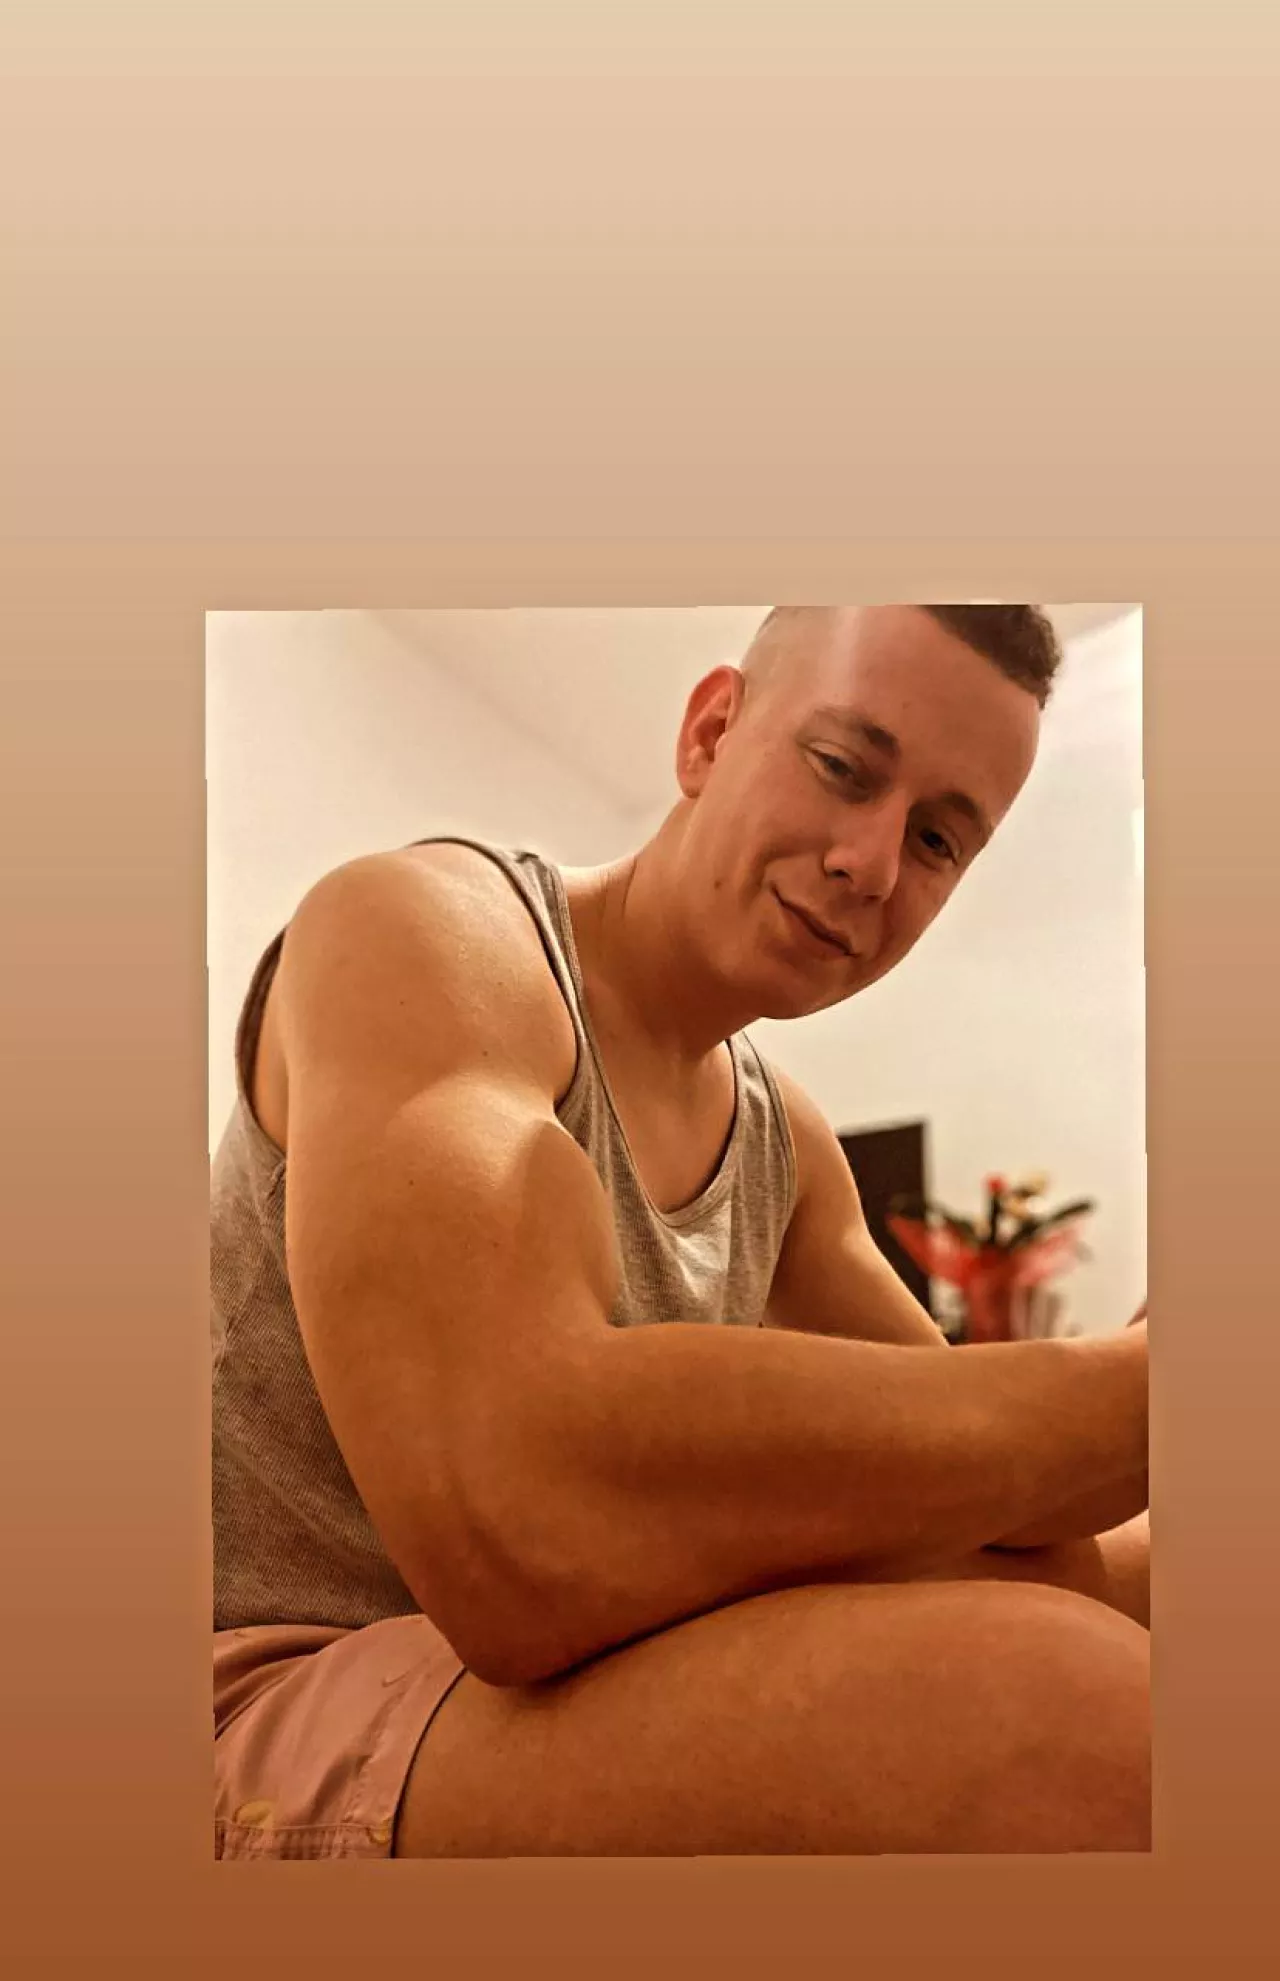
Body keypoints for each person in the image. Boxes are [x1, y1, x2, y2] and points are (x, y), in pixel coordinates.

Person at [212, 602, 1150, 1860]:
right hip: (261, 1693)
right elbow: (515, 1521)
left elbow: (990, 1502)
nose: (871, 864)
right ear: (710, 732)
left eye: (935, 838)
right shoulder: (423, 932)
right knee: (1044, 1713)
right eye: (842, 767)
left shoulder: (782, 1142)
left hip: (556, 1677)